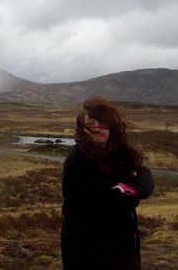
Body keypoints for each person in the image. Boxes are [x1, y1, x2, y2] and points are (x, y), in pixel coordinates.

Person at [61, 96, 154, 270]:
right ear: (81, 128)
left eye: (99, 122)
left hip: (123, 244)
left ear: (111, 124)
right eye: (88, 125)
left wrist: (125, 188)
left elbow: (145, 176)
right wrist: (131, 189)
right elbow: (107, 204)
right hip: (87, 248)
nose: (95, 127)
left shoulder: (119, 153)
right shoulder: (78, 160)